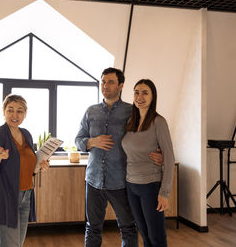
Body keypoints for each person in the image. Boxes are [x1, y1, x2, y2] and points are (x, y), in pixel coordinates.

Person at [75, 68, 162, 247]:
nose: (105, 85)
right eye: (103, 81)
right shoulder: (90, 111)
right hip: (93, 181)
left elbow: (145, 137)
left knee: (128, 227)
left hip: (121, 181)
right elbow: (78, 139)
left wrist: (158, 153)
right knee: (92, 227)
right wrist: (92, 142)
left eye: (110, 82)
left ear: (121, 85)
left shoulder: (132, 112)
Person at [0, 94, 49, 247]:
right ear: (3, 111)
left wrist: (40, 165)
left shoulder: (26, 134)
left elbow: (27, 164)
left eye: (19, 111)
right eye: (10, 110)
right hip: (3, 198)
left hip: (26, 196)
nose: (15, 115)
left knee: (17, 244)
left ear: (25, 114)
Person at [122, 79, 175, 247]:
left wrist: (165, 193)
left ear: (153, 97)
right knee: (144, 235)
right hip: (131, 185)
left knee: (156, 237)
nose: (140, 96)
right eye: (137, 92)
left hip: (150, 186)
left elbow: (169, 158)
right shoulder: (131, 122)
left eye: (145, 92)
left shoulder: (158, 122)